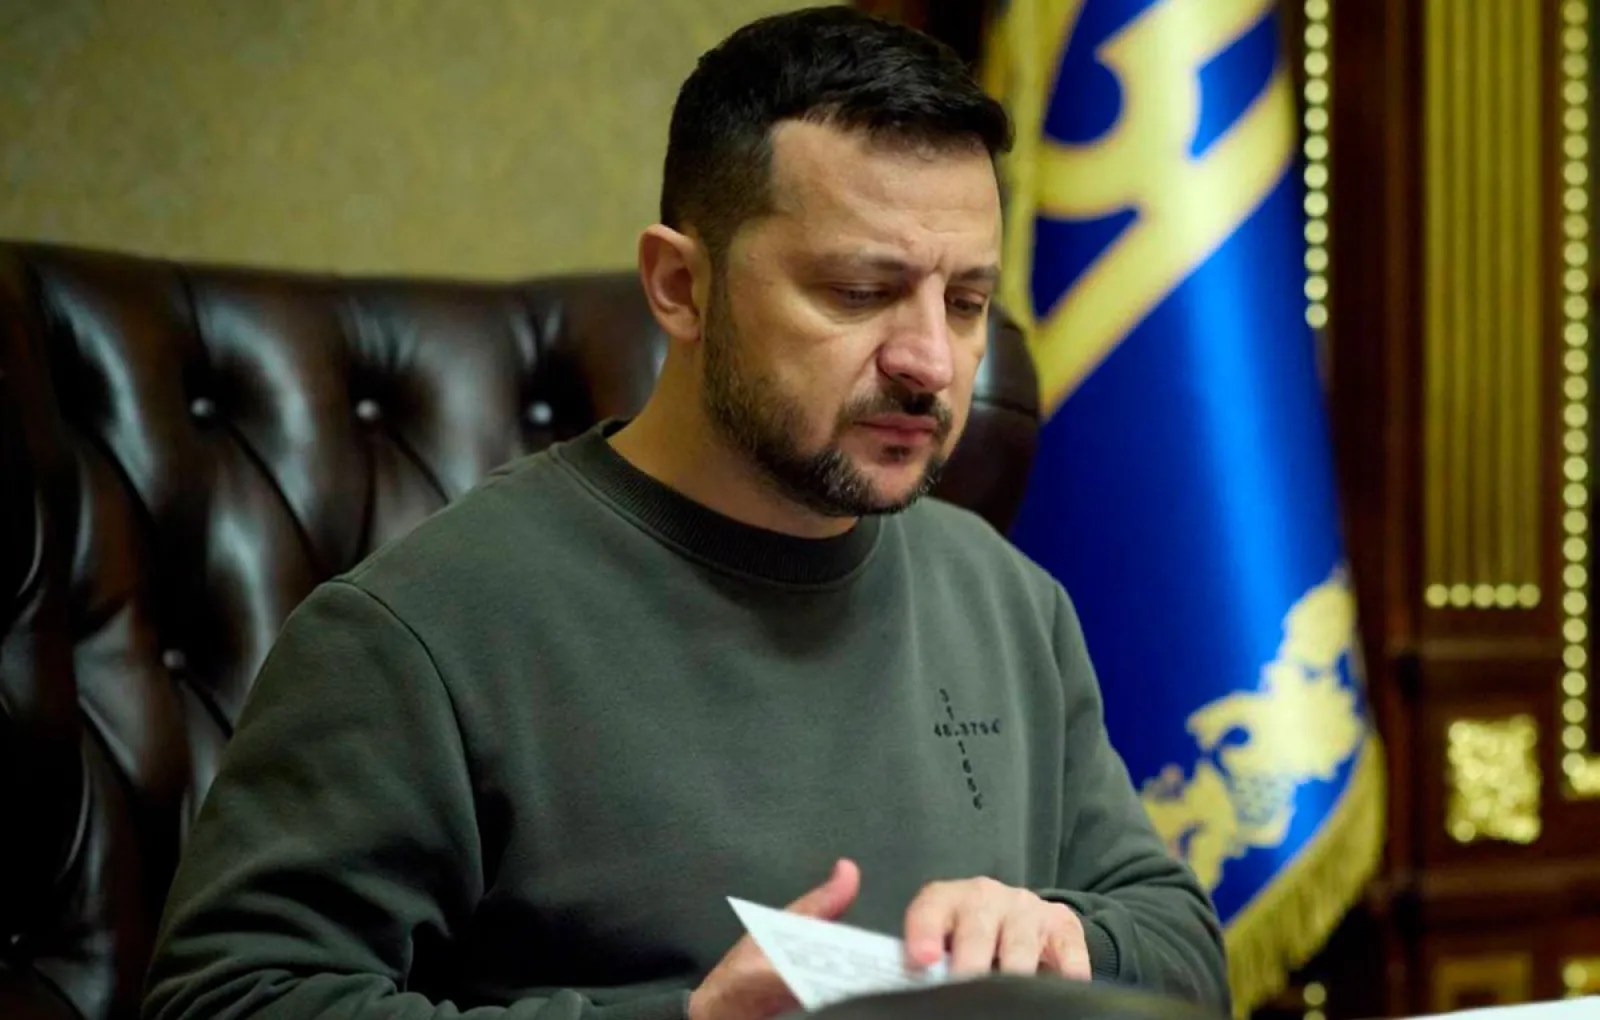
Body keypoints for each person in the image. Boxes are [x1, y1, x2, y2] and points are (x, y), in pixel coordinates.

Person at [141, 7, 1229, 1020]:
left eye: (967, 302)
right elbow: (227, 998)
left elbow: (1182, 947)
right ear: (679, 287)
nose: (930, 361)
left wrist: (1061, 936)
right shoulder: (419, 631)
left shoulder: (1007, 598)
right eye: (859, 292)